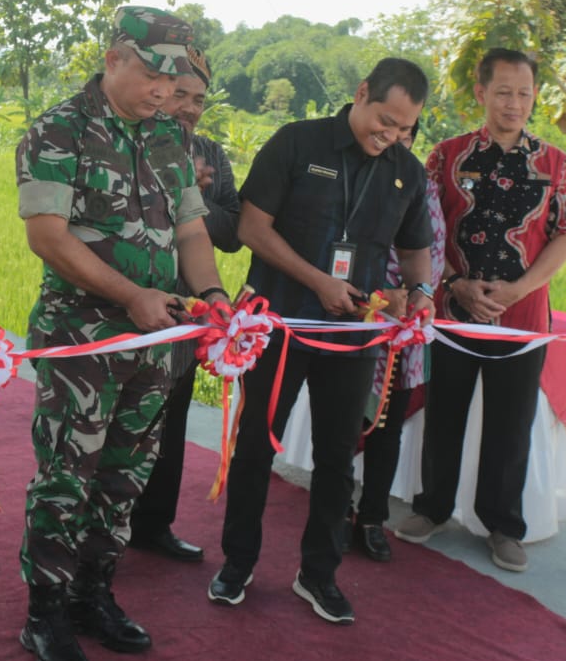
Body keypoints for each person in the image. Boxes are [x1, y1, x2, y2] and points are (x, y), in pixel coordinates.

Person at [17, 6, 228, 661]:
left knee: (125, 475)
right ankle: (44, 609)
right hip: (82, 342)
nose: (164, 91)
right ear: (114, 58)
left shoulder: (169, 138)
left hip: (156, 344)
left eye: (177, 79)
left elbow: (193, 231)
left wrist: (216, 298)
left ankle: (93, 592)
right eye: (152, 74)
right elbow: (48, 235)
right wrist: (129, 296)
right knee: (66, 476)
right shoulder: (59, 130)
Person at [208, 58, 433, 625]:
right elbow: (252, 229)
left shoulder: (406, 170)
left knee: (338, 455)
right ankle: (237, 563)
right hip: (280, 320)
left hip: (352, 334)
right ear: (360, 94)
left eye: (405, 128)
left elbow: (413, 251)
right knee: (257, 445)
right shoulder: (297, 141)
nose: (393, 135)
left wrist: (420, 291)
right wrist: (318, 281)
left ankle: (319, 575)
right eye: (386, 120)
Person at [394, 48, 566, 573]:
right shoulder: (446, 156)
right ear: (481, 94)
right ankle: (431, 507)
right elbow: (422, 232)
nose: (515, 103)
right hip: (454, 315)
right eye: (504, 92)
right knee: (445, 413)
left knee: (511, 424)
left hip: (521, 321)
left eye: (524, 93)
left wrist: (520, 289)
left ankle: (503, 525)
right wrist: (454, 284)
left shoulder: (555, 163)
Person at [128, 44, 242, 563]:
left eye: (200, 99)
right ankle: (107, 532)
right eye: (183, 94)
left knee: (170, 419)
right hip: (129, 307)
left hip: (187, 308)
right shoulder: (132, 141)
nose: (191, 108)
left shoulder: (212, 155)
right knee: (121, 423)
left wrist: (198, 204)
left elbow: (233, 231)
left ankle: (156, 525)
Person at [342, 119, 446, 563]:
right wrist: (374, 299)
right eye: (389, 136)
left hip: (403, 333)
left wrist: (414, 296)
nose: (395, 148)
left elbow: (433, 253)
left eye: (406, 140)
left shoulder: (424, 189)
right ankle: (336, 509)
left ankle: (371, 518)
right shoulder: (351, 180)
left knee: (388, 429)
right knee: (343, 425)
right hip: (352, 321)